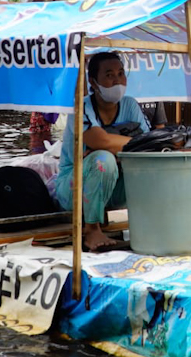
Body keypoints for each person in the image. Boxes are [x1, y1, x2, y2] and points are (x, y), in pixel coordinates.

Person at [55, 51, 149, 252]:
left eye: (121, 73)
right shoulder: (82, 107)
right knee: (103, 161)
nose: (117, 80)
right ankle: (91, 229)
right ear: (93, 82)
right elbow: (100, 140)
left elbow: (150, 146)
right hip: (73, 188)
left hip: (113, 187)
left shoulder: (130, 105)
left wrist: (116, 150)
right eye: (109, 75)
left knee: (152, 164)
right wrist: (113, 148)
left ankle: (153, 223)